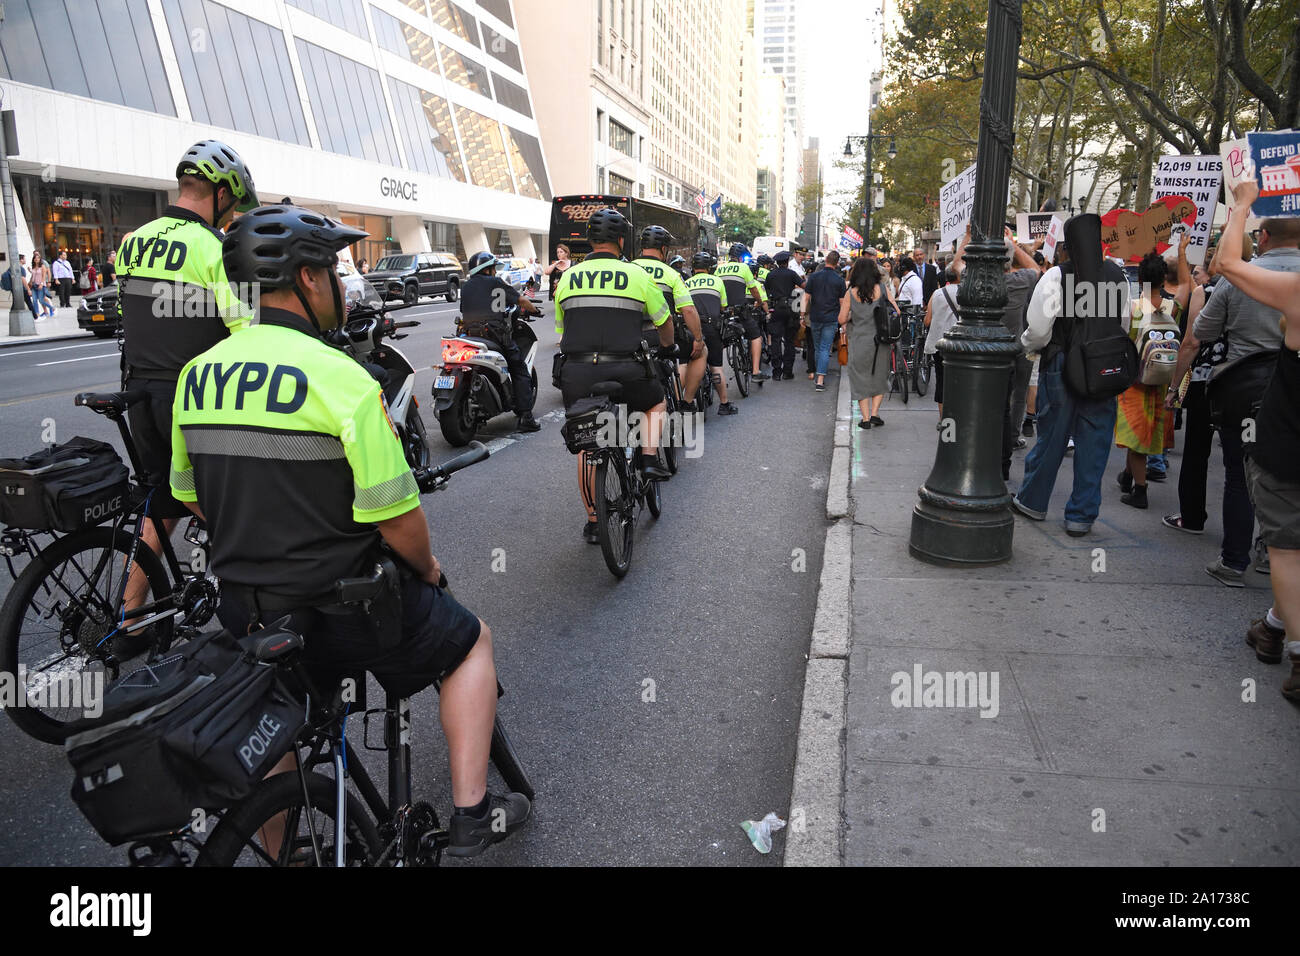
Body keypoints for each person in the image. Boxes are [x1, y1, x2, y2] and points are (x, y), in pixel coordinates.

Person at [172, 204, 529, 855]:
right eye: (334, 268)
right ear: (308, 279)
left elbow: (190, 498)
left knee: (274, 711)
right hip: (350, 611)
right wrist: (426, 570)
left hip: (249, 610)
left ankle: (281, 846)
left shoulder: (198, 376)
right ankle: (475, 812)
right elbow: (396, 517)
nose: (341, 282)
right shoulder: (343, 379)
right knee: (471, 642)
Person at [116, 139, 258, 616]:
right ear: (220, 193)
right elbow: (247, 333)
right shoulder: (214, 248)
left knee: (161, 504)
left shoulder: (131, 242)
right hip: (190, 401)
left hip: (137, 394)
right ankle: (256, 613)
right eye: (232, 203)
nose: (231, 214)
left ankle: (130, 617)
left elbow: (129, 317)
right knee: (236, 507)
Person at [1172, 201, 1300, 587]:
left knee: (1240, 472)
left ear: (1263, 237)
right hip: (1293, 392)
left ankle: (1234, 560)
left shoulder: (1241, 278)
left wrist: (1176, 390)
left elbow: (1200, 334)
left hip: (1246, 391)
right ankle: (1274, 552)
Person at [1212, 179, 1300, 697]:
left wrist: (1242, 205)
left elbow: (1227, 264)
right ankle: (1272, 626)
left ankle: (1294, 651)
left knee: (1287, 550)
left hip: (1286, 440)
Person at [554, 208, 675, 543]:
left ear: (589, 241)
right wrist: (667, 345)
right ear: (622, 241)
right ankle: (649, 460)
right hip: (626, 367)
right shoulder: (636, 275)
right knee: (655, 404)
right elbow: (664, 321)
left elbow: (562, 334)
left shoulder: (567, 278)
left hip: (577, 371)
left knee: (585, 441)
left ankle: (594, 520)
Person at [1013, 213, 1131, 536]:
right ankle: (1080, 515)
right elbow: (1124, 324)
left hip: (1062, 365)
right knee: (1094, 442)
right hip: (1103, 368)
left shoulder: (1055, 277)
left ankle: (1032, 502)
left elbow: (1037, 328)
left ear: (1065, 247)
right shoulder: (1118, 276)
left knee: (1052, 438)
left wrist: (1030, 348)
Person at [1162, 238, 1236, 534]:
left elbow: (1192, 341)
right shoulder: (1260, 287)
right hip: (1247, 380)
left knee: (1197, 452)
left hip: (1208, 382)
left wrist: (1173, 387)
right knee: (1244, 461)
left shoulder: (1204, 293)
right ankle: (1250, 539)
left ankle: (1192, 516)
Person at [1114, 242, 1189, 509]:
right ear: (1163, 279)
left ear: (1141, 278)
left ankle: (1140, 491)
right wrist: (1182, 254)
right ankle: (1127, 476)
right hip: (1161, 382)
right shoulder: (1173, 308)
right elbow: (1186, 288)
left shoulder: (1132, 307)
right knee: (1143, 436)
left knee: (1136, 438)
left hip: (1134, 381)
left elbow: (1121, 340)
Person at [458, 251, 542, 432]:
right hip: (492, 334)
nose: (495, 272)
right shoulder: (495, 282)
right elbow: (520, 299)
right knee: (519, 368)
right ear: (487, 270)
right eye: (493, 268)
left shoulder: (466, 286)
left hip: (467, 334)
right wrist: (534, 310)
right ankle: (526, 417)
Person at [632, 226, 706, 406]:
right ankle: (686, 402)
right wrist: (698, 338)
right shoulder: (672, 274)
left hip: (630, 337)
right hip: (662, 336)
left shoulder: (627, 268)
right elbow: (688, 309)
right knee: (701, 352)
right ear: (664, 249)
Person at [685, 251, 738, 415]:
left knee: (689, 362)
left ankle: (686, 400)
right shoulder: (717, 281)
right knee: (716, 367)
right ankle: (724, 404)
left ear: (693, 268)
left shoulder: (686, 283)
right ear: (710, 267)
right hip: (711, 327)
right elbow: (723, 306)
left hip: (691, 328)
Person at [841, 256, 890, 427]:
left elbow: (841, 319)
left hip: (859, 340)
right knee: (880, 375)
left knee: (860, 376)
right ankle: (875, 413)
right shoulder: (882, 289)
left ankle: (866, 418)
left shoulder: (851, 293)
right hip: (881, 341)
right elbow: (895, 311)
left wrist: (852, 314)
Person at [715, 242, 769, 382]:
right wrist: (759, 302)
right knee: (756, 336)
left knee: (719, 340)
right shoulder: (743, 267)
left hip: (724, 311)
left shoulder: (719, 269)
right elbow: (753, 289)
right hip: (740, 310)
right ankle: (756, 371)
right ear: (740, 258)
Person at [801, 249, 847, 392]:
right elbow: (842, 303)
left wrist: (802, 315)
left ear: (826, 260)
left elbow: (805, 298)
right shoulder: (839, 280)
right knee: (825, 348)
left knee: (817, 346)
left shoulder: (814, 277)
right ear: (837, 263)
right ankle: (820, 380)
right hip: (831, 318)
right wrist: (844, 322)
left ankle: (817, 374)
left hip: (815, 317)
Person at [924, 265, 961, 419]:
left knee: (941, 381)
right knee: (959, 381)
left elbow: (927, 321)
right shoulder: (965, 293)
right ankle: (957, 415)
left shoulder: (937, 294)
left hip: (940, 343)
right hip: (959, 344)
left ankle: (943, 418)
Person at [764, 250, 804, 380]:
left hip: (776, 309)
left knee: (775, 340)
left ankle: (776, 371)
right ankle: (788, 371)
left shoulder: (770, 275)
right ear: (787, 262)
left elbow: (767, 289)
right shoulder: (792, 274)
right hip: (791, 308)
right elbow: (804, 285)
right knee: (789, 340)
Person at [29, 252, 54, 318]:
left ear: (40, 259)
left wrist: (42, 283)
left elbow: (43, 275)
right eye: (35, 258)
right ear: (33, 259)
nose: (36, 259)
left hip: (41, 285)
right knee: (34, 300)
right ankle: (37, 314)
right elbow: (33, 275)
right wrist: (30, 282)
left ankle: (51, 307)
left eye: (38, 258)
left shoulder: (42, 266)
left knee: (41, 300)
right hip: (34, 285)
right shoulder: (33, 266)